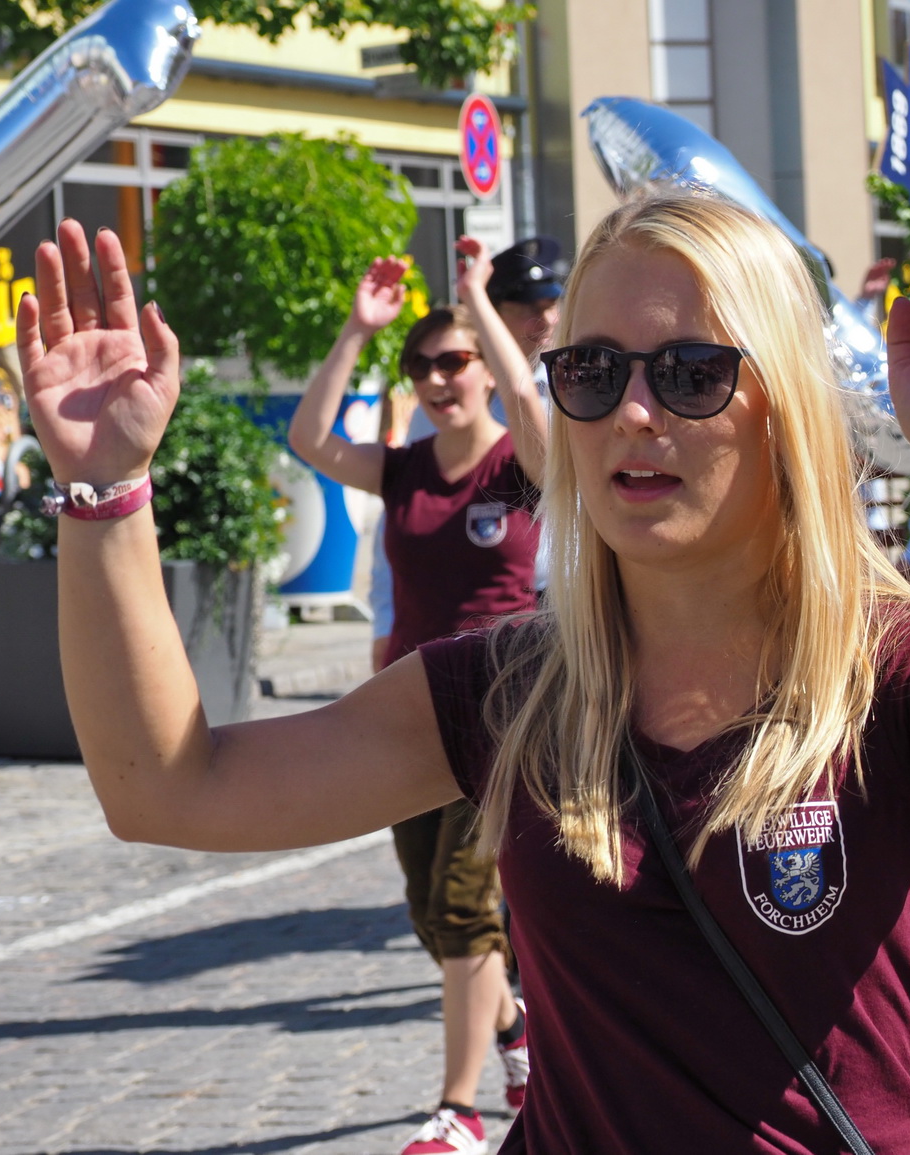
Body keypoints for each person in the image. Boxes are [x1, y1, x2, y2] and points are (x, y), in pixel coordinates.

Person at [19, 199, 910, 1154]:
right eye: (592, 372)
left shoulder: (894, 669)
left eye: (693, 373)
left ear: (787, 406)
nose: (633, 413)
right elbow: (168, 791)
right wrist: (107, 495)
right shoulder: (505, 686)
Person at [288, 234, 547, 1155]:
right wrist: (359, 332)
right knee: (432, 916)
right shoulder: (402, 470)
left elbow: (530, 401)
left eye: (455, 362)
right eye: (423, 366)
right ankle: (515, 1028)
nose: (439, 379)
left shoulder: (520, 461)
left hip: (506, 716)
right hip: (409, 715)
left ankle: (459, 1110)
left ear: (482, 366)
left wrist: (478, 301)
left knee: (468, 906)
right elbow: (310, 439)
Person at [369, 237, 564, 671]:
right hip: (468, 612)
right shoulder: (442, 402)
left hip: (564, 605)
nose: (547, 318)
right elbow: (404, 512)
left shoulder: (578, 390)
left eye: (553, 303)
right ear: (491, 314)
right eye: (529, 308)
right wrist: (384, 619)